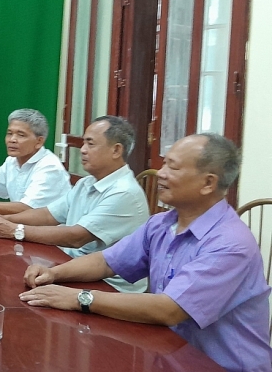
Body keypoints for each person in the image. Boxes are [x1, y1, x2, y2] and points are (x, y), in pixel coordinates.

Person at [19, 134, 272, 372]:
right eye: (164, 164)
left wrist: (80, 298)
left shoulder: (229, 243)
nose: (160, 173)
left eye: (173, 167)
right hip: (168, 353)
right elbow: (106, 262)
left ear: (208, 183)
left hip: (220, 366)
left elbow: (170, 310)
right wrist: (54, 274)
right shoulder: (162, 223)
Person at [0, 116, 149, 293]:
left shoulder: (124, 192)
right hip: (71, 266)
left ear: (116, 150)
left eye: (90, 144)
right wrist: (3, 219)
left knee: (13, 287)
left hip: (107, 286)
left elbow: (76, 237)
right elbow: (47, 214)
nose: (83, 150)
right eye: (83, 143)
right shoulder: (87, 183)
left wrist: (15, 230)